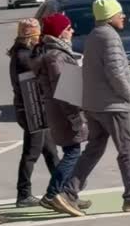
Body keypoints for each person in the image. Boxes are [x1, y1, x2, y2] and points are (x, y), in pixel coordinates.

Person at [52, 0, 130, 216]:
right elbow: (116, 71)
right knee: (127, 149)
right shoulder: (110, 37)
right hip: (112, 104)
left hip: (95, 103)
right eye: (120, 13)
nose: (123, 16)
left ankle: (68, 193)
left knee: (94, 148)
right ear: (111, 17)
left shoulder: (95, 35)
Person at [32, 14, 91, 212]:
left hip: (60, 111)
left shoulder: (55, 53)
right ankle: (53, 194)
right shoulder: (56, 56)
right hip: (64, 113)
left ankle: (67, 193)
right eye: (68, 28)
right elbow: (65, 90)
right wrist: (75, 116)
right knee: (72, 153)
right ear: (59, 32)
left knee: (71, 151)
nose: (72, 31)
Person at [8, 18, 59, 208]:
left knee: (51, 151)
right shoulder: (23, 56)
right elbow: (37, 74)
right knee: (31, 152)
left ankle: (62, 188)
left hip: (34, 109)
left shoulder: (23, 53)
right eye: (38, 36)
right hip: (31, 110)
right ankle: (24, 194)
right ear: (31, 36)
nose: (40, 39)